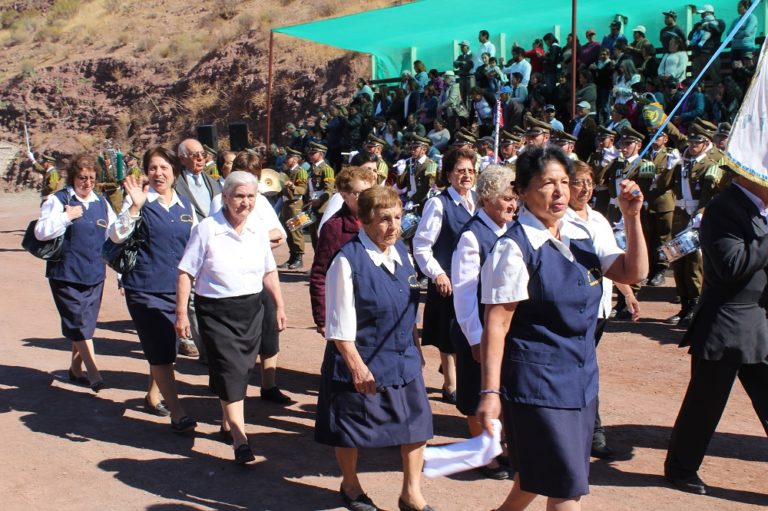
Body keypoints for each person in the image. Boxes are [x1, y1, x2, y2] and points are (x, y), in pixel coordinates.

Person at [477, 146, 647, 511]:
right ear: (521, 191)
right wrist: (490, 391)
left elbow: (633, 273)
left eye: (564, 182)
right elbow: (497, 324)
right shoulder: (514, 248)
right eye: (547, 184)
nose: (559, 192)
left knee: (540, 475)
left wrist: (632, 218)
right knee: (566, 484)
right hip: (537, 385)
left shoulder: (583, 230)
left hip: (581, 379)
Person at [315, 186, 434, 511]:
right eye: (384, 219)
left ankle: (411, 494)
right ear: (365, 221)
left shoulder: (403, 254)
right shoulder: (347, 261)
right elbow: (338, 323)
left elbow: (406, 309)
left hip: (403, 357)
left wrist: (416, 346)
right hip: (361, 358)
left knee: (417, 426)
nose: (393, 226)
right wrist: (355, 365)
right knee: (351, 428)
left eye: (397, 217)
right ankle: (350, 485)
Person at [664, 165, 768, 496]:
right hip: (726, 324)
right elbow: (730, 266)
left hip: (760, 324)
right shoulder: (725, 207)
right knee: (705, 404)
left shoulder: (758, 209)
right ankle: (681, 468)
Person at [176, 171, 286, 463]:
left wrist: (280, 305)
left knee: (242, 369)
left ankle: (227, 423)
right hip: (215, 312)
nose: (245, 202)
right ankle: (240, 439)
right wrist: (181, 313)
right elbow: (186, 272)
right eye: (239, 196)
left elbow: (269, 271)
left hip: (250, 309)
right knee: (230, 370)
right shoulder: (206, 229)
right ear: (224, 198)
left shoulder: (257, 230)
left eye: (251, 197)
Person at [110, 146, 198, 433]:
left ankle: (153, 394)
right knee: (161, 351)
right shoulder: (138, 200)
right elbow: (115, 235)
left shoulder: (186, 206)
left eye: (163, 168)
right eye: (152, 168)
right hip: (144, 288)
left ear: (174, 172)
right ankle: (178, 412)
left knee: (165, 347)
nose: (158, 173)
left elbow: (197, 247)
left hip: (178, 289)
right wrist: (134, 207)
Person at [565, 160, 640, 459]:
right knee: (581, 368)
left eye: (588, 182)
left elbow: (612, 260)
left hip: (599, 309)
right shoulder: (560, 220)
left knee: (585, 368)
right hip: (573, 308)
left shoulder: (598, 219)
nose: (584, 188)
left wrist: (627, 292)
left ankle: (589, 429)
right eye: (578, 182)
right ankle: (592, 432)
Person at [451, 164, 517, 479]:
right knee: (477, 393)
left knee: (499, 389)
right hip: (476, 329)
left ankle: (499, 446)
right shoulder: (471, 235)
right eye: (506, 198)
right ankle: (484, 454)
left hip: (503, 330)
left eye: (514, 198)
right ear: (487, 199)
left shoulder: (509, 230)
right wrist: (475, 337)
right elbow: (463, 293)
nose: (512, 204)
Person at [35, 153, 115, 392]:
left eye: (91, 178)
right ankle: (93, 372)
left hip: (94, 273)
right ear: (73, 177)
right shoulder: (58, 200)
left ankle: (74, 369)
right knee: (79, 323)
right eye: (82, 178)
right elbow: (41, 232)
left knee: (87, 325)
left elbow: (114, 235)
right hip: (66, 274)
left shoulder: (102, 202)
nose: (87, 183)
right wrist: (66, 217)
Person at [414, 147, 478, 404]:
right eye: (460, 171)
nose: (466, 176)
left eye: (471, 171)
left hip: (475, 280)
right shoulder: (438, 204)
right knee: (449, 332)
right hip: (448, 280)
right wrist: (437, 273)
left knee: (470, 329)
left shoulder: (479, 200)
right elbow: (420, 245)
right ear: (449, 174)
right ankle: (450, 383)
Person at [666, 125, 723, 326]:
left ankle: (696, 307)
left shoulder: (710, 164)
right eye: (690, 142)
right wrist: (669, 166)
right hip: (680, 215)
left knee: (694, 265)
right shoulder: (682, 163)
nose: (692, 145)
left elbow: (713, 194)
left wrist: (701, 214)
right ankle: (684, 306)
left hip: (697, 217)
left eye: (697, 142)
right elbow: (666, 185)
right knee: (677, 262)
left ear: (706, 143)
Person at [310, 167, 374, 337]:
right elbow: (320, 274)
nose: (365, 197)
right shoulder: (334, 227)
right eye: (358, 193)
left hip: (375, 306)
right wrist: (323, 318)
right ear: (344, 196)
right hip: (347, 308)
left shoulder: (379, 221)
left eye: (369, 191)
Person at [174, 138, 223, 358]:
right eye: (195, 154)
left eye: (203, 154)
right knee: (191, 297)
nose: (201, 158)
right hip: (187, 245)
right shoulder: (175, 184)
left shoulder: (214, 183)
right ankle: (193, 342)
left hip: (213, 248)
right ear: (182, 158)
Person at [279, 147, 308, 269]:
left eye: (289, 157)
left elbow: (302, 189)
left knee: (296, 231)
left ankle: (299, 258)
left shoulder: (300, 171)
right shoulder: (289, 172)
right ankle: (292, 256)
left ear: (295, 159)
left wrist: (292, 186)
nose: (287, 159)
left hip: (296, 205)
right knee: (288, 231)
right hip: (287, 204)